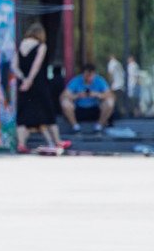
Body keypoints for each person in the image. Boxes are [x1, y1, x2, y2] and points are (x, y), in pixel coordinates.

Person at [15, 23, 61, 154]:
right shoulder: (41, 46)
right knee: (48, 112)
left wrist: (23, 79)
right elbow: (37, 64)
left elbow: (14, 66)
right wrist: (30, 80)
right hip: (38, 84)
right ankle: (57, 141)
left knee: (22, 115)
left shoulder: (21, 45)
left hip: (23, 85)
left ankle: (21, 144)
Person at [60, 62, 114, 133]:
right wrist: (77, 96)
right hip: (79, 109)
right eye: (86, 75)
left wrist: (97, 95)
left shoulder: (99, 80)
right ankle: (75, 127)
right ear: (83, 74)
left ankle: (99, 126)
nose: (88, 78)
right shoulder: (76, 80)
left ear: (94, 74)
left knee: (110, 102)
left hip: (95, 109)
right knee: (65, 102)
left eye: (90, 75)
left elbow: (110, 95)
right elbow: (63, 96)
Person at [106, 53, 127, 118]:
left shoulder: (111, 63)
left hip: (115, 86)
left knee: (113, 102)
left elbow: (111, 74)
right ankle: (123, 115)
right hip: (121, 85)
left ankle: (117, 116)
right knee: (120, 103)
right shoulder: (118, 63)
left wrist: (110, 84)